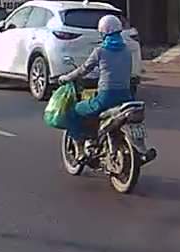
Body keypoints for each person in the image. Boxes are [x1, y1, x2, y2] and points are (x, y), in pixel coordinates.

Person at [57, 14, 133, 150]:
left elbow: (83, 70)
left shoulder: (100, 51)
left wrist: (66, 77)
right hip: (126, 97)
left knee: (74, 111)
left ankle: (80, 146)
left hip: (106, 98)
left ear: (103, 32)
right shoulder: (127, 50)